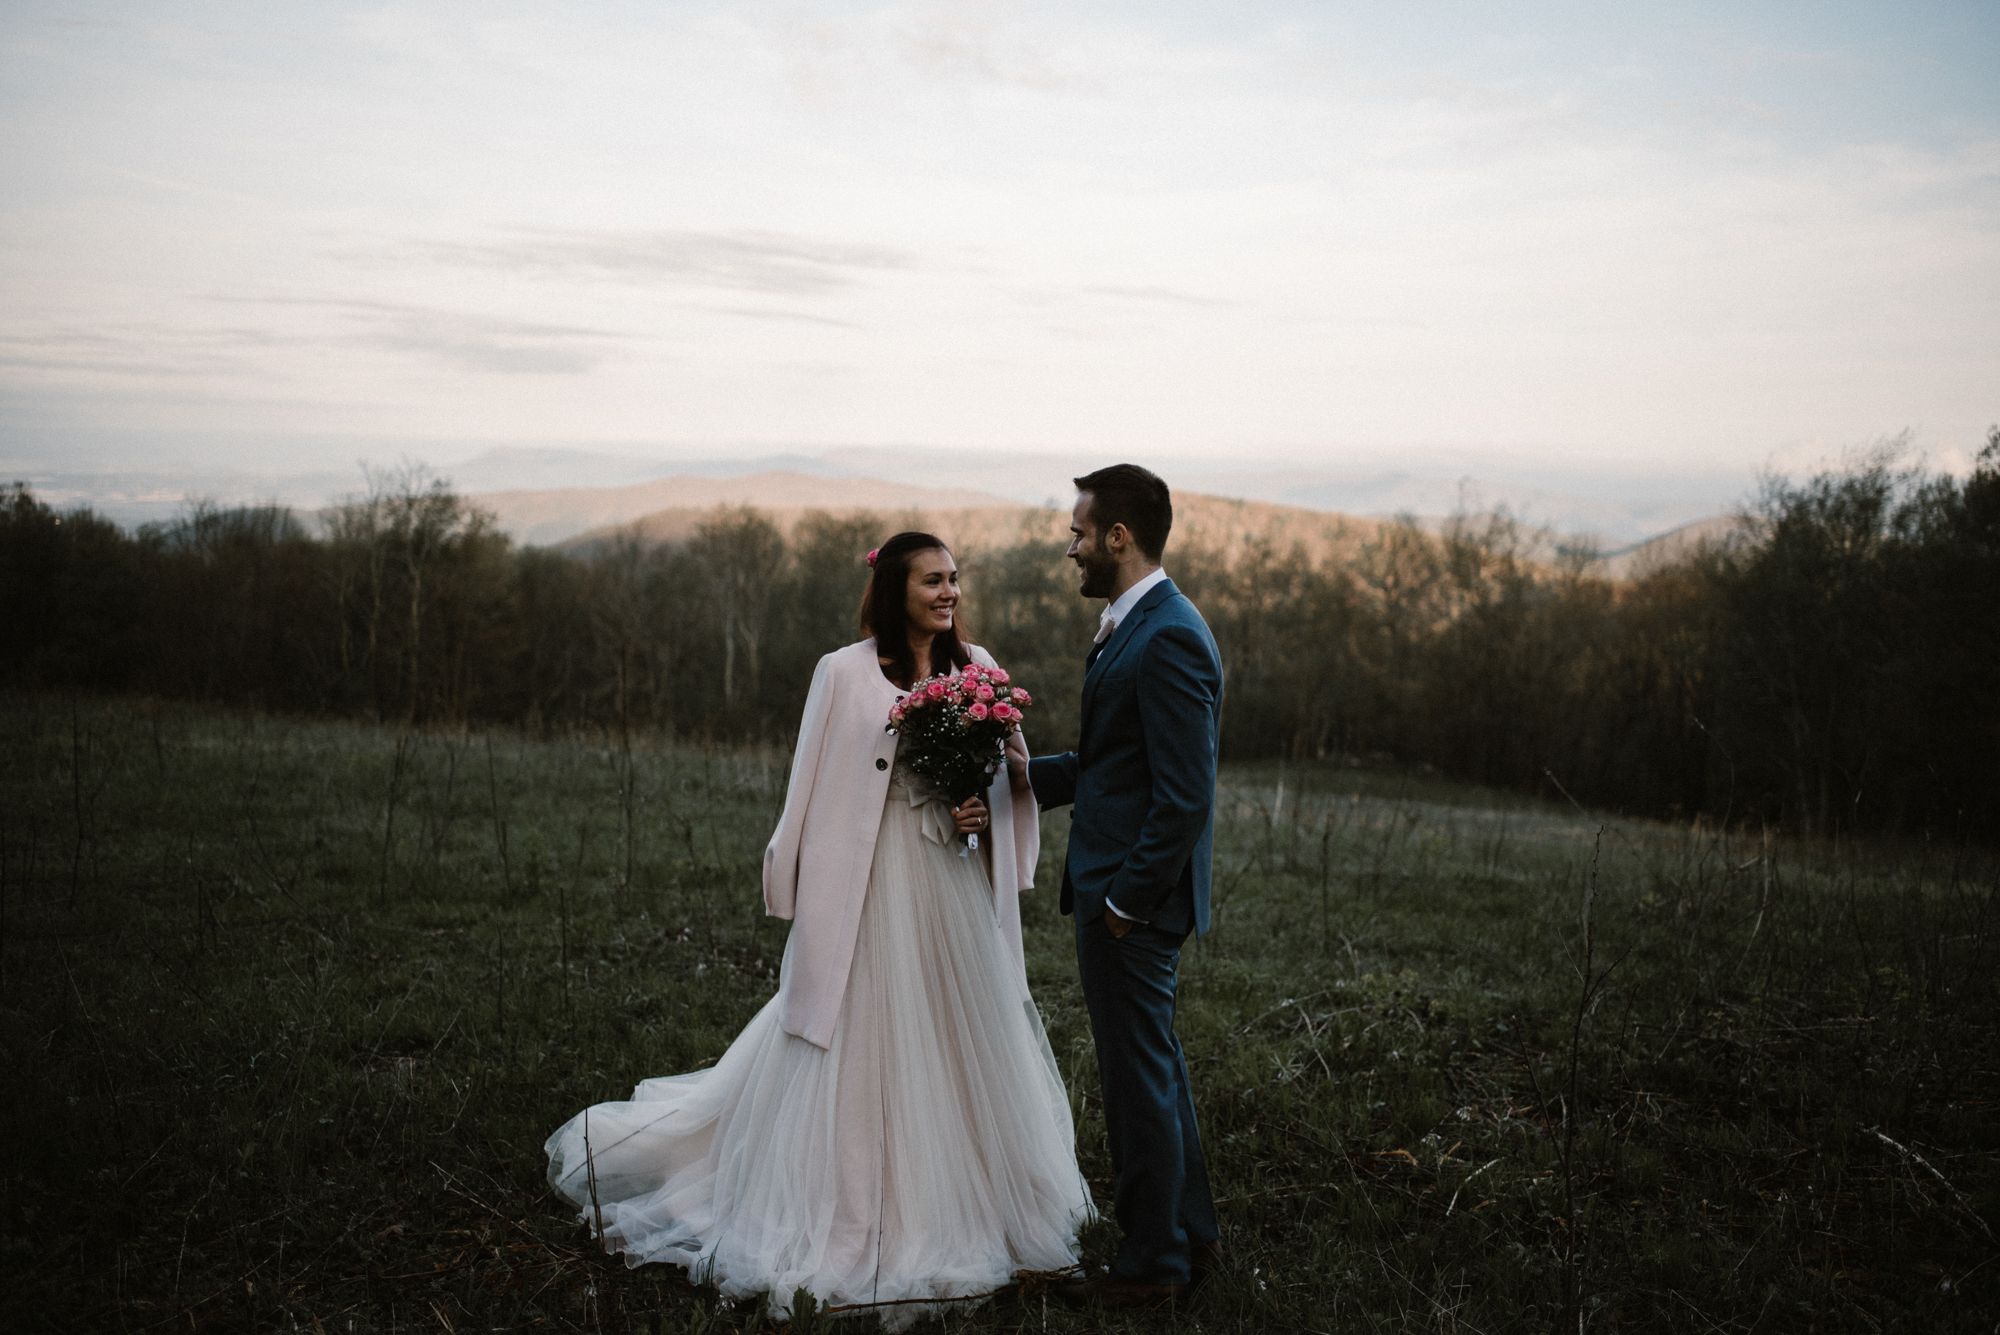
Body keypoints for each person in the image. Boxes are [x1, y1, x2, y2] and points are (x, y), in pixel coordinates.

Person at [545, 532, 1091, 1329]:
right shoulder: (841, 671)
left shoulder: (979, 670)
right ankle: (849, 1205)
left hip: (945, 882)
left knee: (951, 1033)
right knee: (860, 1031)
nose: (949, 592)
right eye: (933, 580)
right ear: (894, 588)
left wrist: (978, 814)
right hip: (869, 887)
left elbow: (1009, 777)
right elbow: (808, 783)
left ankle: (959, 1200)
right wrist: (788, 878)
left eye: (954, 579)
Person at [1023, 464, 1226, 1309]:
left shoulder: (1170, 634)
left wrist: (1122, 904)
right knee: (1156, 1069)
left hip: (1132, 907)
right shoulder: (1132, 624)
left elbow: (1184, 798)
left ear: (1118, 537)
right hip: (1123, 897)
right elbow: (1114, 766)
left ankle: (1150, 1268)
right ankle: (1188, 1240)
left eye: (1078, 532)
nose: (1068, 547)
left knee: (1137, 1079)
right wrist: (1013, 773)